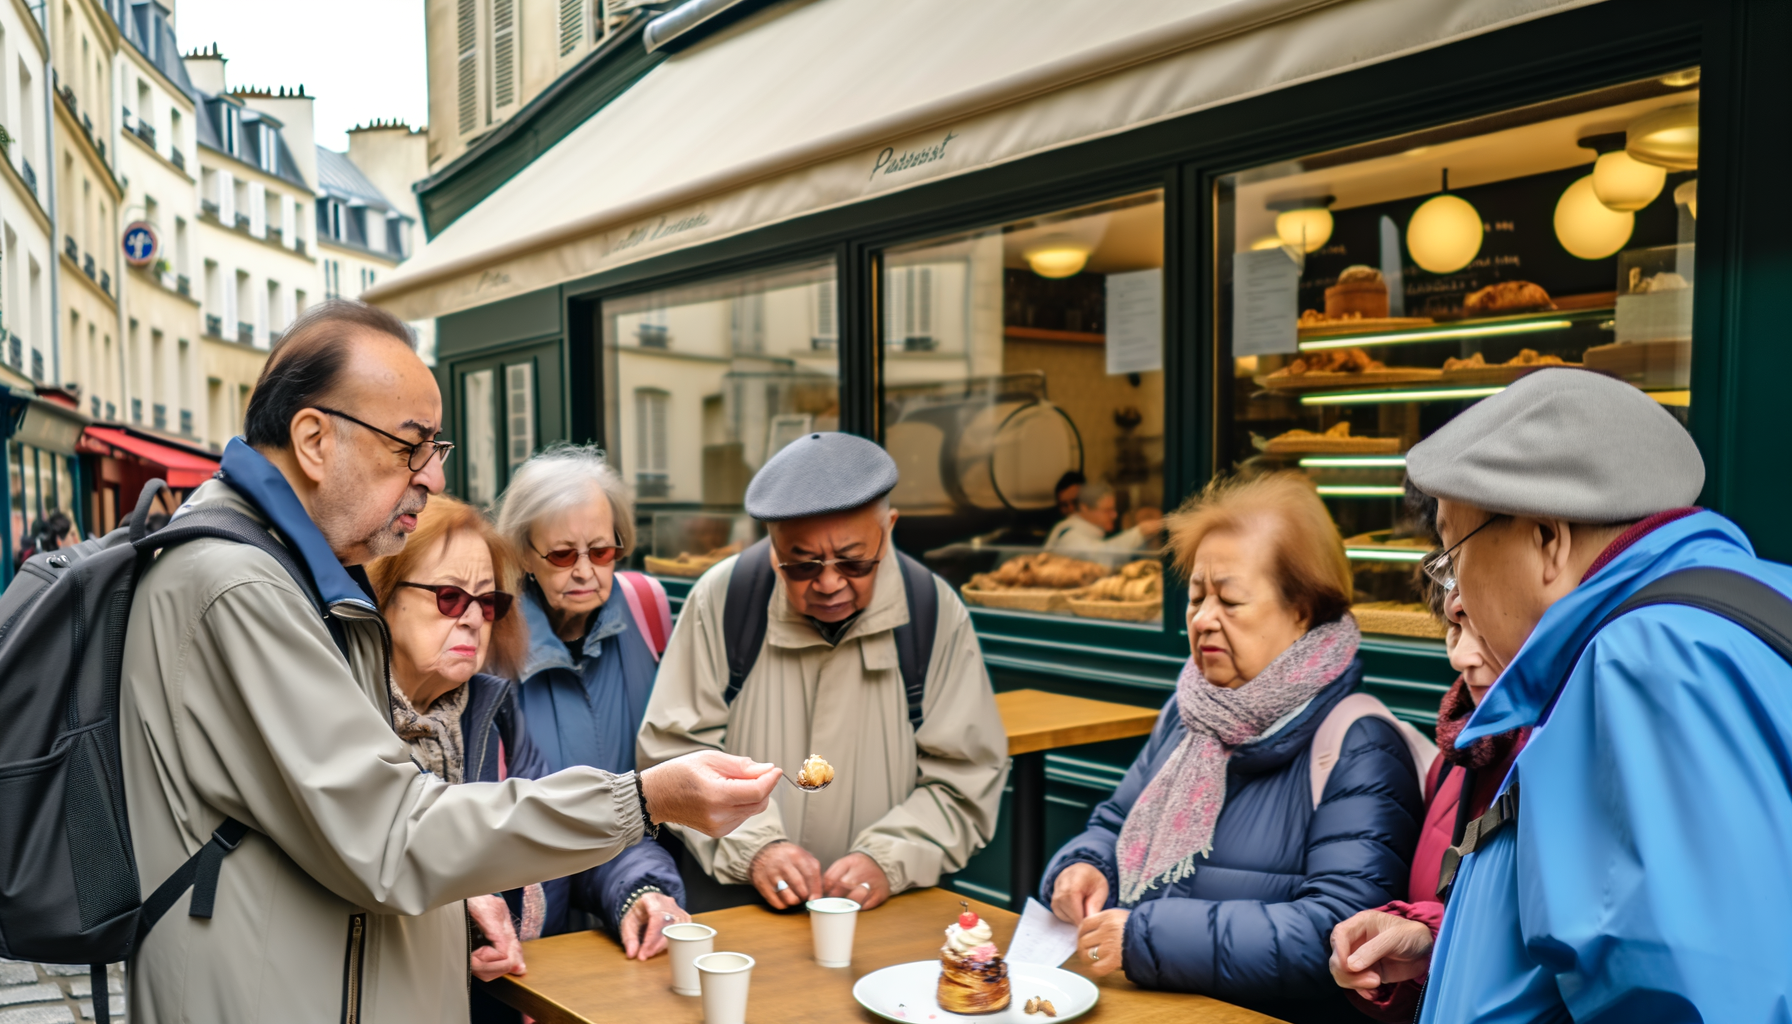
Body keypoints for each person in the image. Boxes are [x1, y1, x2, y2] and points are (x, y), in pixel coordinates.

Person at [119, 300, 782, 1024]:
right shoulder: (241, 584)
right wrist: (645, 799)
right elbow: (393, 837)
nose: (432, 476)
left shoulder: (282, 572)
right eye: (412, 445)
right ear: (313, 440)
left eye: (489, 601)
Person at [1333, 368, 1792, 1023]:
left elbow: (1693, 996)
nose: (1455, 593)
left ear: (1547, 540)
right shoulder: (1730, 616)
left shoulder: (1643, 662)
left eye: (1452, 552)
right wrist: (1443, 944)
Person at [1040, 471, 1423, 1024]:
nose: (1202, 618)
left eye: (1230, 599)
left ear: (1302, 609)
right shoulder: (1189, 711)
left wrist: (1147, 936)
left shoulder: (1359, 744)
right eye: (1196, 597)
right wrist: (1085, 864)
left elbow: (1341, 932)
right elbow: (1115, 821)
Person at [639, 431, 1008, 913]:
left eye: (854, 562)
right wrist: (754, 847)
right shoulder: (722, 599)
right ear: (773, 548)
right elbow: (672, 753)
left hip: (882, 920)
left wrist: (889, 858)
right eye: (803, 565)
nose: (830, 583)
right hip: (737, 912)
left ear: (890, 527)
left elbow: (966, 778)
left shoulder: (934, 612)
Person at [493, 444, 689, 958]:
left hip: (633, 897)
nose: (584, 570)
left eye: (601, 551)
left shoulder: (648, 610)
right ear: (522, 555)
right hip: (529, 937)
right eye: (561, 554)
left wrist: (645, 889)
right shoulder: (488, 639)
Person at [364, 494, 543, 1022]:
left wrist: (494, 920)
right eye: (448, 596)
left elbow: (542, 859)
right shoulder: (345, 715)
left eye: (487, 603)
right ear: (382, 594)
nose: (472, 619)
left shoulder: (496, 711)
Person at [1329, 584, 1528, 1021]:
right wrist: (1419, 951)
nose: (1461, 656)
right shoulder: (1456, 759)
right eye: (1456, 626)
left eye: (1486, 625)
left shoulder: (1579, 759)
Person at [1044, 480, 1162, 566]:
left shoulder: (1094, 530)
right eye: (1107, 510)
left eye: (1114, 509)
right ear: (1084, 508)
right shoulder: (1068, 534)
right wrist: (1139, 533)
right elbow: (1101, 559)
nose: (1114, 515)